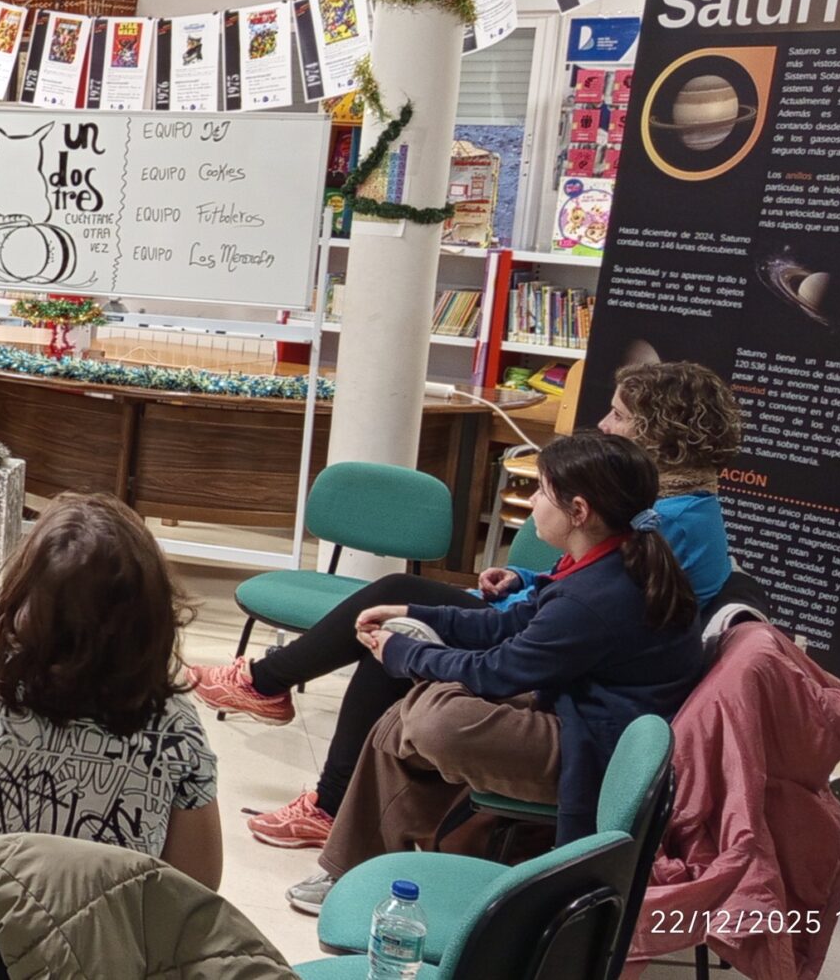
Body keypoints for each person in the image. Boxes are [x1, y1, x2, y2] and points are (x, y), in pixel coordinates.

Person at [190, 361, 739, 851]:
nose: (604, 422)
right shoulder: (642, 523)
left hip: (584, 698)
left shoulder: (659, 529)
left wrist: (412, 650)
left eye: (618, 415)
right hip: (570, 660)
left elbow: (554, 634)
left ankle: (285, 717)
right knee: (407, 642)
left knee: (409, 657)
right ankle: (317, 776)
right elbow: (566, 598)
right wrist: (519, 581)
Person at [294, 431, 708, 912]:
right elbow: (508, 624)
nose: (532, 502)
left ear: (579, 511)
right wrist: (415, 613)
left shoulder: (596, 595)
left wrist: (406, 655)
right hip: (575, 714)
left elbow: (497, 673)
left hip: (593, 749)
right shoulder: (604, 560)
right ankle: (352, 872)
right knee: (405, 720)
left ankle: (364, 865)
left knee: (434, 721)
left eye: (541, 491)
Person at [0, 494, 224, 889]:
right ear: (150, 617)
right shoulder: (174, 724)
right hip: (108, 942)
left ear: (23, 595)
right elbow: (198, 881)